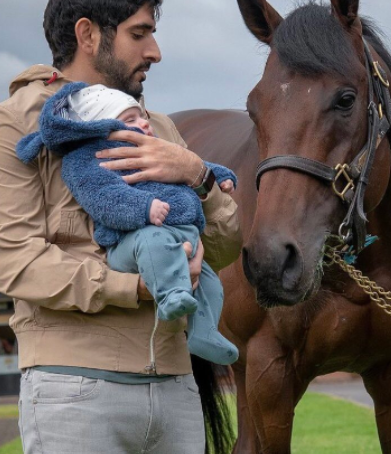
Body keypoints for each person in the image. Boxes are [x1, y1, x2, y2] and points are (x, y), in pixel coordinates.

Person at [0, 0, 241, 454]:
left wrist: (199, 176)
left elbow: (225, 248)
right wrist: (138, 286)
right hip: (75, 393)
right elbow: (13, 261)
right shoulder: (12, 126)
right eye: (140, 34)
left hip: (178, 387)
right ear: (88, 34)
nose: (155, 52)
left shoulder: (159, 129)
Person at [15, 82, 239, 365]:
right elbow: (105, 200)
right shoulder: (88, 159)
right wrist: (144, 209)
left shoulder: (155, 147)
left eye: (142, 116)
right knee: (154, 244)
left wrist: (216, 175)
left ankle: (205, 333)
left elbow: (195, 164)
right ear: (101, 127)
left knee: (211, 283)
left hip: (179, 235)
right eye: (130, 119)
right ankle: (171, 297)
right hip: (133, 239)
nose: (144, 122)